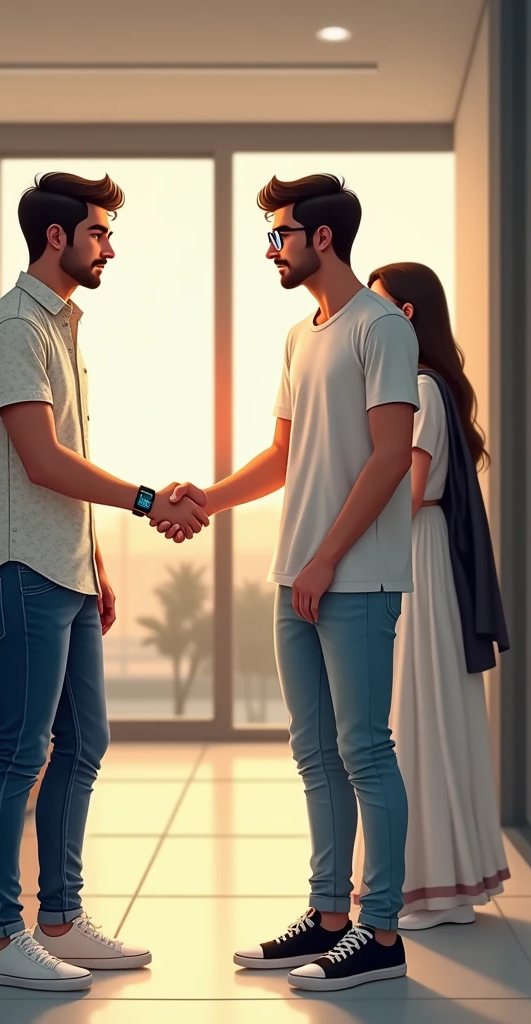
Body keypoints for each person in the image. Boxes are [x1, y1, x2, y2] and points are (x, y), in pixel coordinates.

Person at [157, 173, 419, 991]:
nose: (272, 249)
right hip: (296, 577)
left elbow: (388, 459)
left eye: (280, 235)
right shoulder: (302, 336)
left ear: (324, 239)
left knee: (365, 751)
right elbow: (281, 457)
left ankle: (380, 934)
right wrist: (208, 496)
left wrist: (327, 559)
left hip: (356, 579)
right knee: (315, 754)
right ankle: (328, 916)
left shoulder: (382, 329)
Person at [0, 171, 209, 992]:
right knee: (19, 749)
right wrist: (145, 500)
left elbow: (58, 466)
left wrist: (95, 560)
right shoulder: (11, 330)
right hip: (20, 570)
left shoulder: (61, 329)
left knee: (84, 744)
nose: (111, 245)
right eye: (99, 231)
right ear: (56, 237)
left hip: (62, 568)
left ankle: (59, 919)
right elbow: (40, 459)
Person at [348, 262, 510, 930]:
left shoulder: (419, 390)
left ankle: (427, 887)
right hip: (424, 554)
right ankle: (437, 879)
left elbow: (407, 492)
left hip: (412, 554)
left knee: (412, 716)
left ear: (406, 317)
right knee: (421, 714)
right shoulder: (433, 388)